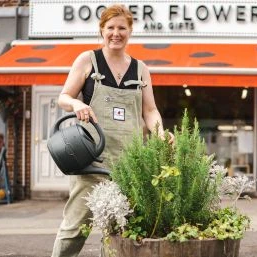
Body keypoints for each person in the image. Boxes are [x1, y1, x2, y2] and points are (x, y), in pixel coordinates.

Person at [51, 4, 174, 257]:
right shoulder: (87, 60)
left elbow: (149, 111)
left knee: (121, 231)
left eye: (122, 28)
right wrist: (76, 103)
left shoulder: (141, 70)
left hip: (129, 163)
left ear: (130, 31)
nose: (116, 33)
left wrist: (161, 133)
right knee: (76, 227)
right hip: (92, 161)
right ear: (102, 30)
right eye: (110, 28)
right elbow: (63, 97)